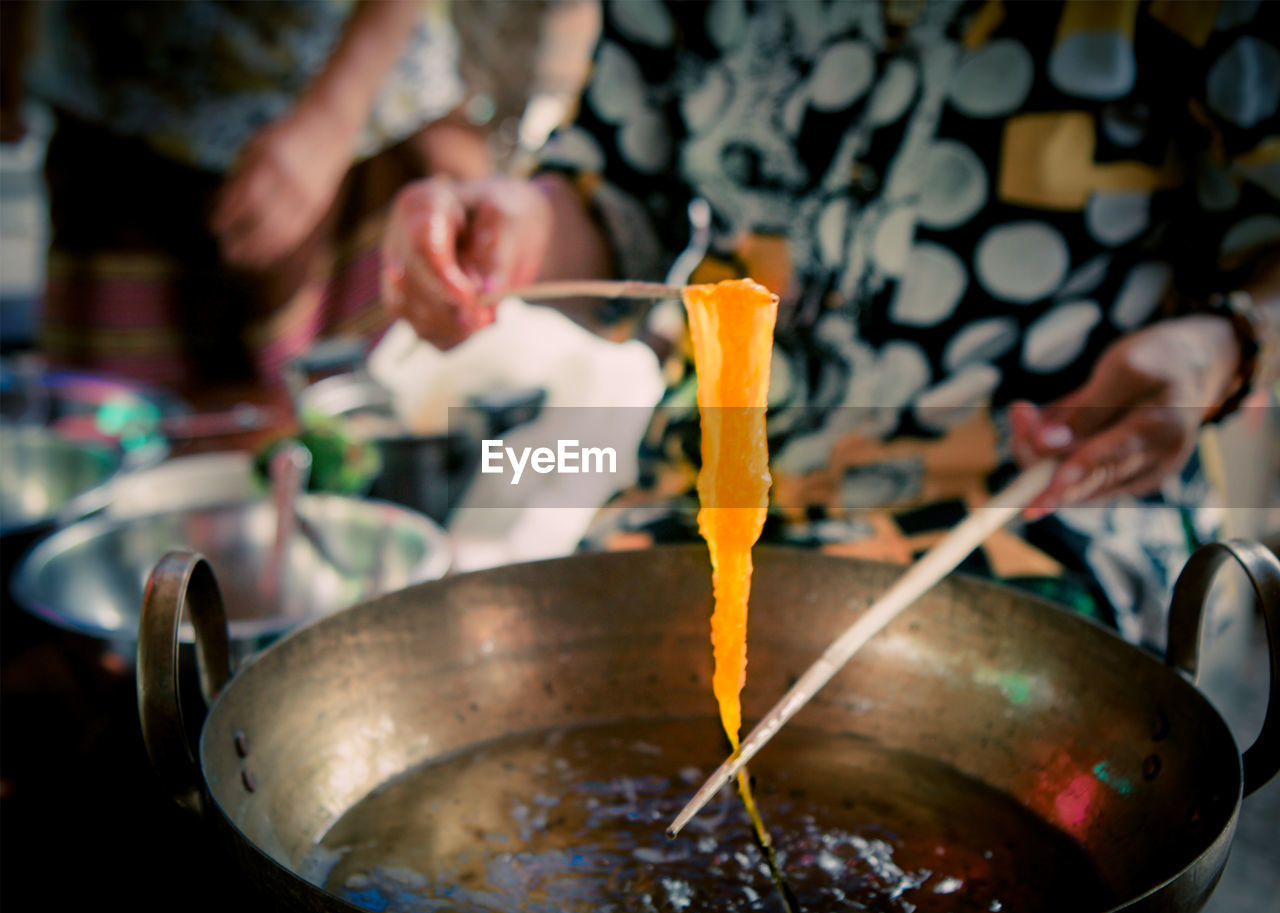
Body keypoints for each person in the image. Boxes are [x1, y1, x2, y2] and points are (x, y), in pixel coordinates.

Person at [381, 0, 1280, 649]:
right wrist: (511, 229)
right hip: (719, 464)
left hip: (1039, 494)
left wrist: (1225, 345)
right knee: (545, 679)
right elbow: (622, 189)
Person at [6, 0, 491, 396]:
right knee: (124, 441)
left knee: (353, 429)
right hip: (116, 125)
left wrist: (331, 119)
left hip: (353, 117)